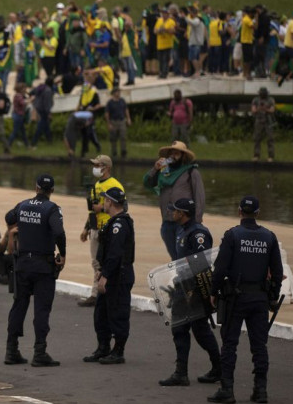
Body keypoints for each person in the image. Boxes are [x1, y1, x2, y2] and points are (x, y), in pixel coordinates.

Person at [207, 196, 283, 404]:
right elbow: (277, 271)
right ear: (258, 213)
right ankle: (261, 390)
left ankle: (227, 390)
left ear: (239, 211)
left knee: (229, 344)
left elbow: (220, 268)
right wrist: (273, 296)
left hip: (235, 298)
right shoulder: (269, 237)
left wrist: (213, 291)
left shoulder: (232, 235)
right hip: (259, 298)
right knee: (259, 346)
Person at [158, 198, 221, 387]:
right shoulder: (181, 229)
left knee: (200, 331)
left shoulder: (198, 234)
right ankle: (181, 372)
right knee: (179, 329)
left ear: (183, 213)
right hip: (181, 286)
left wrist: (192, 290)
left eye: (175, 211)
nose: (172, 213)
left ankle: (218, 368)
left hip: (193, 289)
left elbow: (201, 264)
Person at [4, 174, 66, 367]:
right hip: (42, 266)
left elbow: (9, 217)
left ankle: (11, 350)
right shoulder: (52, 209)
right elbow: (58, 232)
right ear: (52, 191)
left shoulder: (23, 205)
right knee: (42, 309)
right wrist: (62, 254)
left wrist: (17, 230)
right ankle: (39, 352)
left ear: (36, 187)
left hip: (22, 264)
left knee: (18, 306)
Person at [82, 187, 134, 365]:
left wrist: (105, 276)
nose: (103, 203)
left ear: (110, 202)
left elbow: (116, 254)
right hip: (109, 272)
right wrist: (100, 269)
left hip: (118, 275)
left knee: (118, 312)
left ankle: (118, 351)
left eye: (105, 200)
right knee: (101, 313)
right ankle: (102, 347)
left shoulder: (120, 224)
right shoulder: (113, 222)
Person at [143, 141, 205, 259]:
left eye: (176, 153)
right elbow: (148, 183)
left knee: (186, 257)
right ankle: (180, 277)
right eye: (171, 153)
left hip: (185, 223)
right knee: (175, 258)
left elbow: (200, 197)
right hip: (167, 222)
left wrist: (196, 222)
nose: (173, 156)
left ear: (183, 156)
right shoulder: (163, 172)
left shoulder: (191, 172)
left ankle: (188, 277)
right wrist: (155, 169)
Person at [78, 155, 124, 307]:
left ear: (106, 167)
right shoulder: (96, 185)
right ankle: (96, 293)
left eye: (98, 165)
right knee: (96, 262)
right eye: (95, 164)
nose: (95, 168)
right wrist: (86, 228)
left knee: (108, 261)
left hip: (109, 228)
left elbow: (123, 207)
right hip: (95, 228)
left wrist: (102, 207)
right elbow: (93, 209)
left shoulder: (114, 185)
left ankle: (104, 292)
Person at [104, 87, 131, 158]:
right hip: (113, 121)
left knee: (123, 136)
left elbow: (126, 110)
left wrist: (128, 119)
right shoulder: (110, 103)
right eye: (117, 92)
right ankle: (114, 153)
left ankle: (123, 152)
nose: (119, 93)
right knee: (113, 138)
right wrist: (109, 123)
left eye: (119, 92)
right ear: (113, 93)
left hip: (121, 120)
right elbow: (107, 113)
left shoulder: (122, 101)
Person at [251, 87, 275, 162]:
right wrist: (259, 108)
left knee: (270, 138)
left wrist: (266, 109)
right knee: (257, 138)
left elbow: (272, 110)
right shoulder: (255, 100)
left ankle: (271, 156)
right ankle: (256, 155)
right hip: (259, 120)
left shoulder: (270, 100)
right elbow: (253, 110)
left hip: (268, 120)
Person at [30, 78, 54, 148]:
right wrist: (49, 113)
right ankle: (34, 142)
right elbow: (47, 103)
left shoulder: (41, 87)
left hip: (38, 106)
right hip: (43, 109)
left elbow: (31, 92)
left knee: (46, 125)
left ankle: (49, 139)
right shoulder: (48, 91)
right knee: (41, 125)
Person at [155, 8, 176, 79]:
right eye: (163, 13)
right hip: (159, 44)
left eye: (165, 13)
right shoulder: (159, 20)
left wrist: (165, 29)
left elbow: (172, 31)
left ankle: (164, 73)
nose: (164, 15)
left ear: (168, 14)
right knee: (160, 60)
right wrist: (159, 30)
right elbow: (155, 30)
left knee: (165, 59)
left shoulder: (171, 21)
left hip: (167, 44)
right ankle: (160, 72)